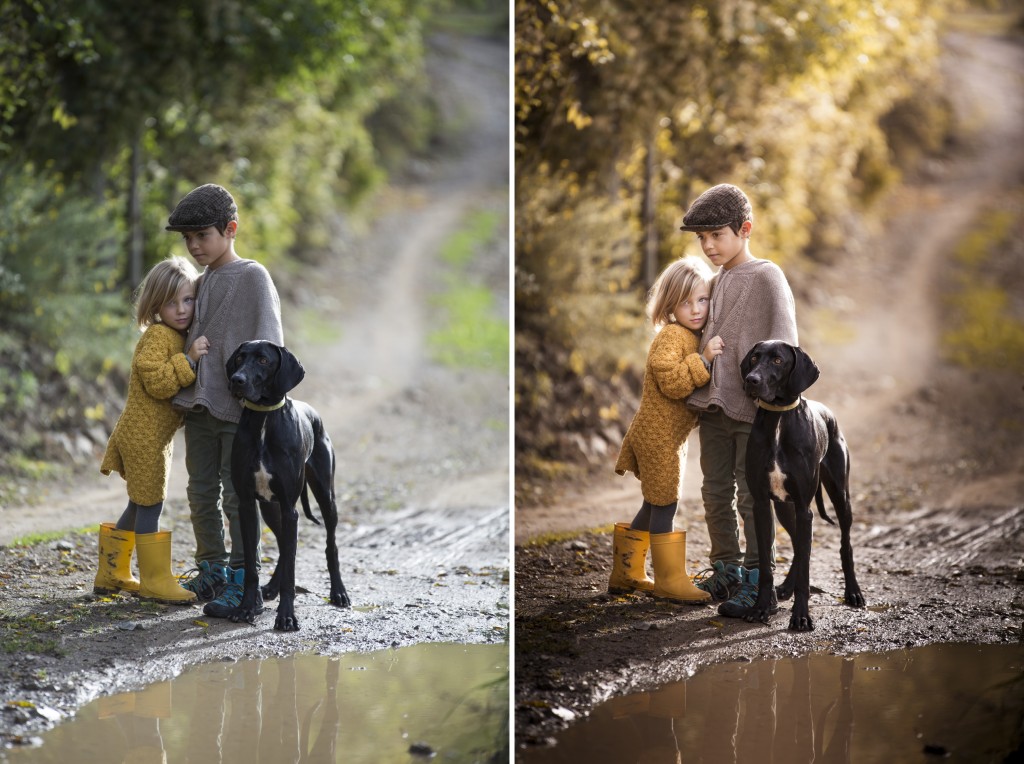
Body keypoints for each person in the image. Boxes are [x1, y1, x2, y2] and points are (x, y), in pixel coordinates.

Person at [680, 183, 798, 618]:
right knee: (714, 491)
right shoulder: (715, 281)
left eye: (717, 235)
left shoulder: (768, 276)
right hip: (713, 406)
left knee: (752, 496)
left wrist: (774, 399)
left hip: (754, 411)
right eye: (702, 238)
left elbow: (786, 344)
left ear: (745, 229)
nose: (708, 245)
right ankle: (725, 567)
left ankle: (756, 576)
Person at [166, 184, 284, 619]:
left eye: (203, 235)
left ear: (230, 229)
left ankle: (242, 576)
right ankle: (211, 568)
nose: (194, 245)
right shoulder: (200, 281)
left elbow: (272, 343)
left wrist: (263, 400)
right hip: (199, 405)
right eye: (188, 239)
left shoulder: (254, 276)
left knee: (238, 496)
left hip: (240, 411)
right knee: (200, 491)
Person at [610, 256, 724, 603]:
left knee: (653, 501)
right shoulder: (673, 336)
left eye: (702, 300)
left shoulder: (690, 335)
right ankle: (669, 580)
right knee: (666, 504)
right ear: (670, 306)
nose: (696, 309)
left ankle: (626, 573)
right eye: (685, 302)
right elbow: (673, 383)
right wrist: (703, 360)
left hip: (665, 437)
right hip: (657, 438)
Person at [95, 256, 208, 604]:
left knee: (138, 502)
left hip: (152, 437)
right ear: (155, 307)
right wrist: (189, 360)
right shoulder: (159, 336)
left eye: (187, 300)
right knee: (151, 505)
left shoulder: (176, 335)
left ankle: (111, 573)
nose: (181, 309)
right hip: (143, 438)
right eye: (171, 303)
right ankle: (155, 581)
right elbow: (158, 382)